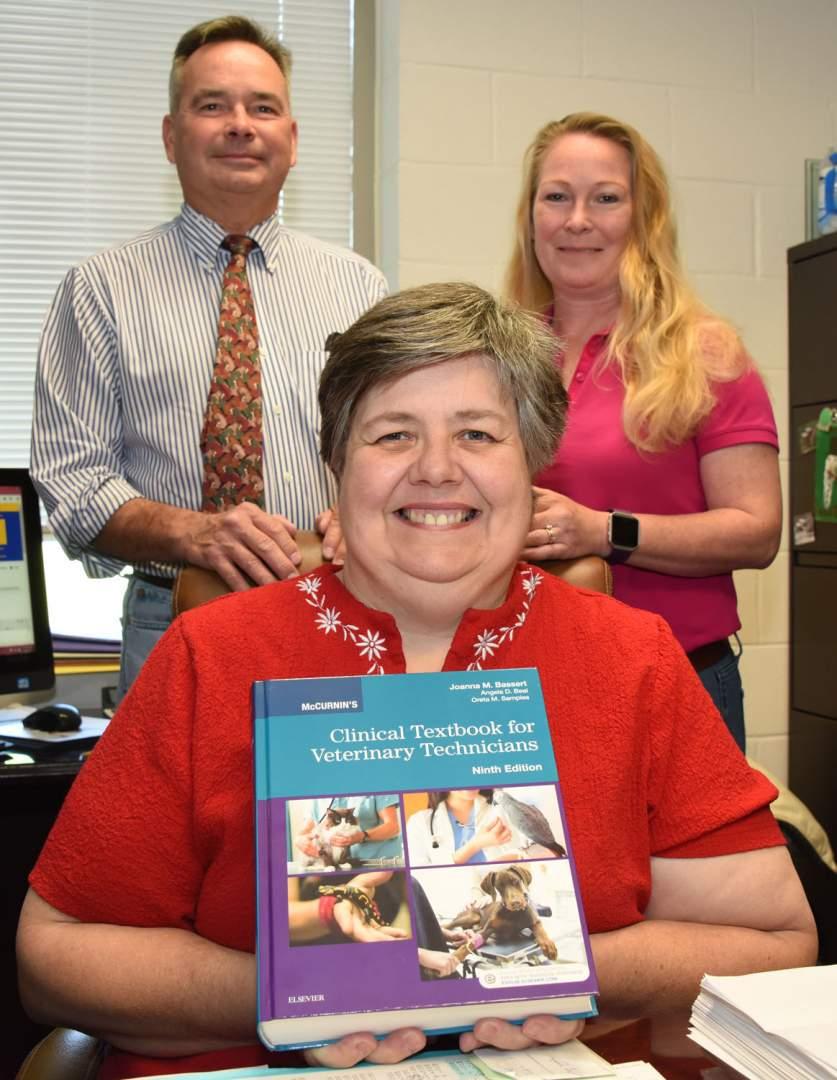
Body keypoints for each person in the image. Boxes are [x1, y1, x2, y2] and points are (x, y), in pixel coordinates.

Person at [17, 284, 816, 1079]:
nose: (436, 470)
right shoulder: (211, 653)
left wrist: (542, 971)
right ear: (335, 461)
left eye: (476, 433)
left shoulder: (630, 655)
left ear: (534, 461)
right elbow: (54, 958)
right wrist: (294, 994)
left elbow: (770, 939)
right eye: (392, 435)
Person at [30, 15, 386, 697]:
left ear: (292, 138)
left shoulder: (359, 286)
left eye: (263, 107)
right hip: (171, 616)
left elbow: (393, 445)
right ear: (171, 137)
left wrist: (362, 513)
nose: (239, 124)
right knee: (173, 807)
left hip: (339, 610)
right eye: (211, 105)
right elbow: (73, 483)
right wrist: (196, 535)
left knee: (336, 807)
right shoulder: (100, 289)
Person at [505, 112, 781, 750]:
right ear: (531, 217)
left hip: (677, 678)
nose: (578, 220)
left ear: (643, 217)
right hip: (525, 685)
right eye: (556, 197)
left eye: (605, 198)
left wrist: (601, 530)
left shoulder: (704, 353)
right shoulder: (502, 356)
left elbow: (758, 529)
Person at [406, 789, 519, 866]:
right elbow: (421, 874)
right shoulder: (419, 823)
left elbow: (521, 853)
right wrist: (475, 845)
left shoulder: (500, 809)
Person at [295, 795, 403, 865]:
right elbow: (307, 830)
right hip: (340, 865)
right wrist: (299, 840)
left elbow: (393, 826)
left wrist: (361, 836)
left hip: (378, 862)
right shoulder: (317, 796)